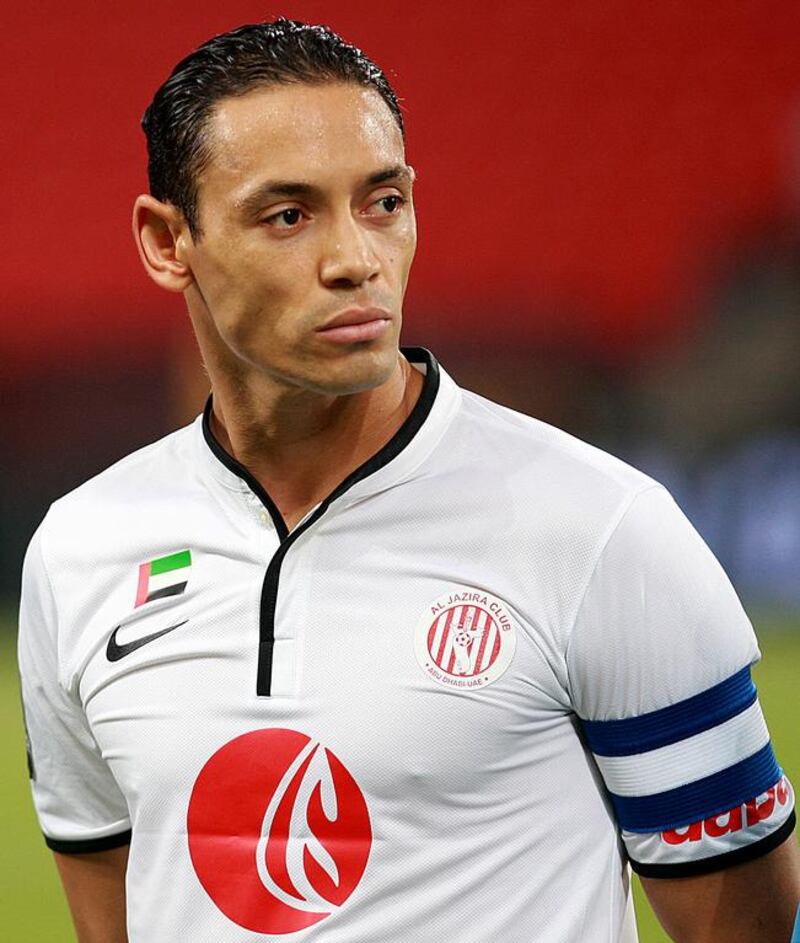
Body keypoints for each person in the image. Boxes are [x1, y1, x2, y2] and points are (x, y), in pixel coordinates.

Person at [17, 18, 799, 943]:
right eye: (288, 214)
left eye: (382, 202)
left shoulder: (602, 531)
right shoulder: (78, 552)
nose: (356, 259)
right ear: (166, 242)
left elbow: (747, 923)